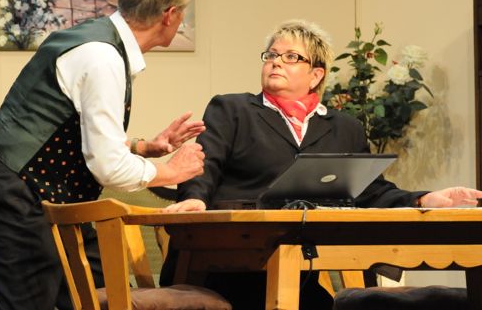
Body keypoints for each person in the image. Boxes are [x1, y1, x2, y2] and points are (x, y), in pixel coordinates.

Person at [161, 19, 482, 310]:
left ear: (316, 74)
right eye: (271, 55)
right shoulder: (233, 109)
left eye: (291, 57)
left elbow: (371, 192)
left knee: (317, 303)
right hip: (227, 260)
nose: (276, 62)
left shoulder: (344, 128)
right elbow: (203, 164)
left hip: (298, 268)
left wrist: (424, 199)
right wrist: (195, 198)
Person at [0, 0, 206, 310]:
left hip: (50, 195)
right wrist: (171, 171)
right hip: (17, 194)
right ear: (170, 15)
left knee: (104, 294)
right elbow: (107, 167)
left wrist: (143, 147)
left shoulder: (103, 46)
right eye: (182, 12)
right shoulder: (101, 57)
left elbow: (73, 131)